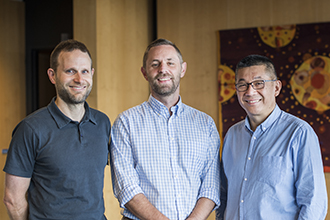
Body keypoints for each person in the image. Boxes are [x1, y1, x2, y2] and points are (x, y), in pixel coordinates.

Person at [110, 38, 220, 220]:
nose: (163, 69)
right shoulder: (125, 122)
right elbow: (126, 187)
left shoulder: (205, 124)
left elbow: (211, 186)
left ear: (182, 69)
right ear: (145, 73)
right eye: (155, 64)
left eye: (170, 63)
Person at [3, 39, 111, 220]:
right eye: (70, 71)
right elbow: (12, 199)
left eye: (84, 71)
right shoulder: (31, 129)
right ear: (52, 76)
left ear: (91, 74)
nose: (79, 79)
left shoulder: (102, 123)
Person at [216, 54, 328, 219]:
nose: (250, 91)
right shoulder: (232, 135)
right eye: (242, 85)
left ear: (276, 88)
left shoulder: (299, 133)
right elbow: (223, 196)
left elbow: (314, 203)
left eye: (258, 83)